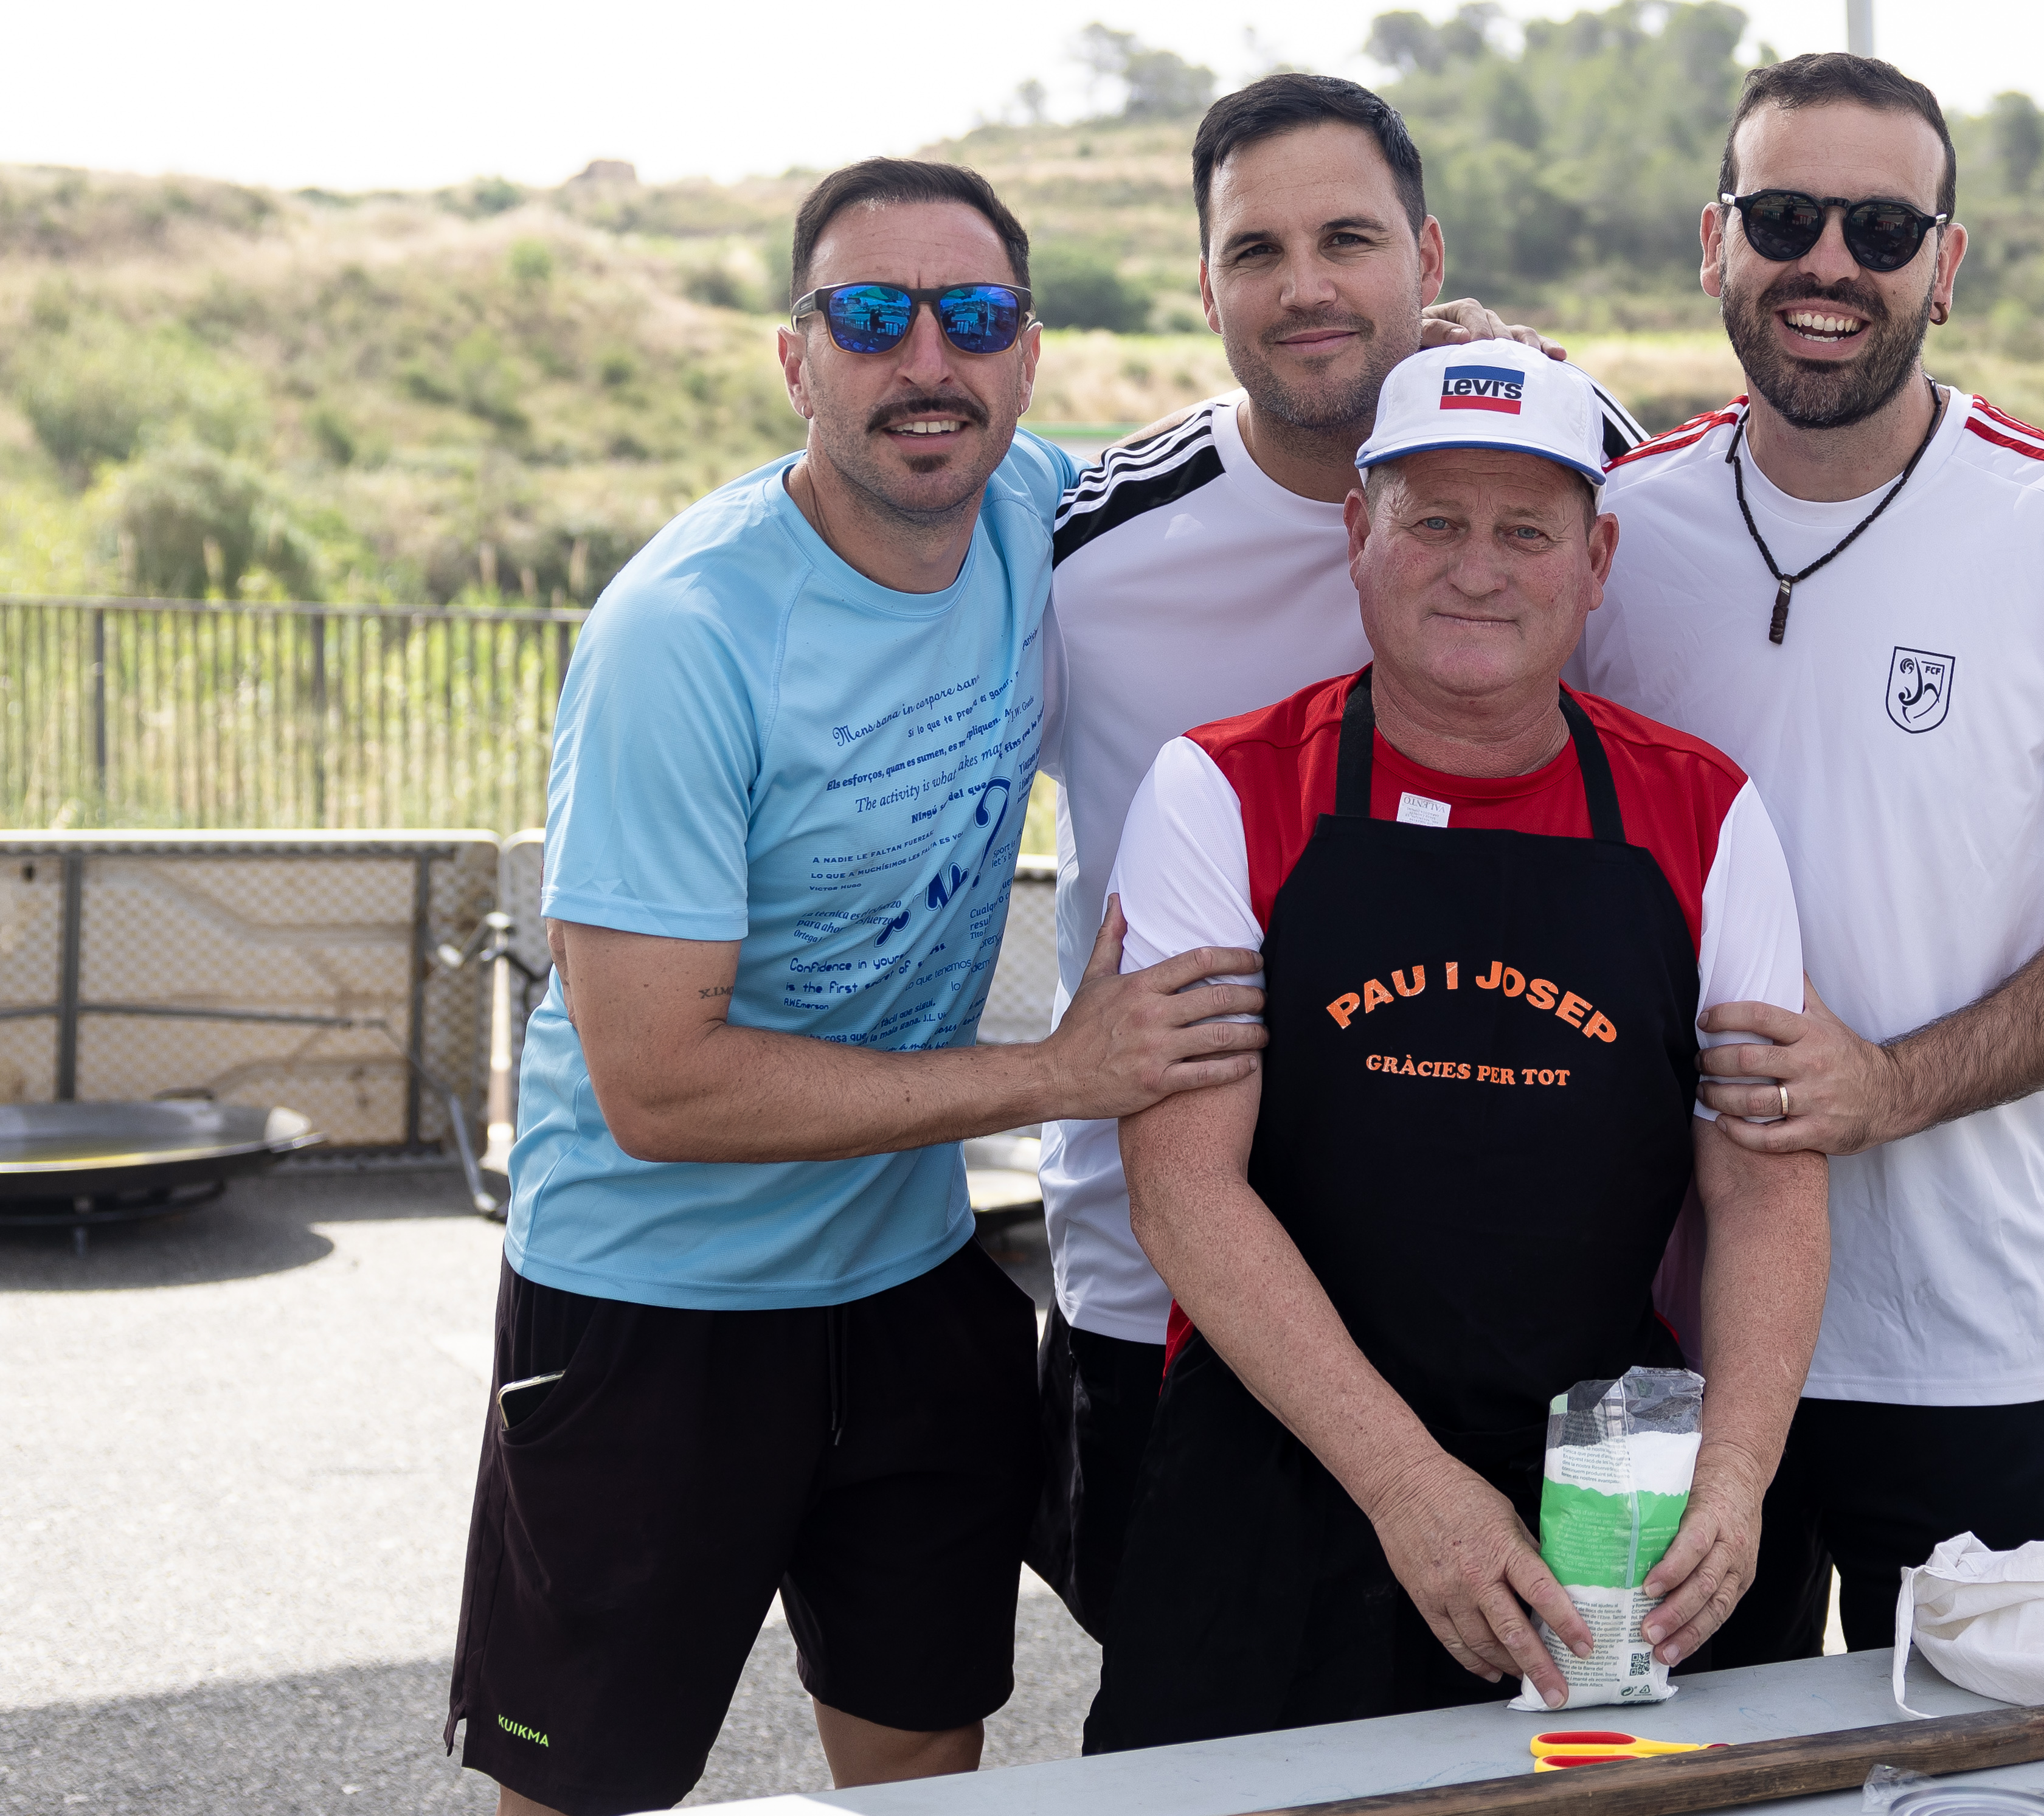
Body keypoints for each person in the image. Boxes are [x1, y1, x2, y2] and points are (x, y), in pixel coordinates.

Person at [445, 158, 1266, 1816]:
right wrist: (1056, 1074)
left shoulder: (1042, 510)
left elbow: (1251, 468)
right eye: (872, 317)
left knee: (920, 1755)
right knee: (581, 1786)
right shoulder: (685, 632)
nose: (926, 362)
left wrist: (1429, 365)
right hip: (652, 1304)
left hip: (904, 1283)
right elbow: (657, 1086)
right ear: (795, 357)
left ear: (1028, 355)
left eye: (975, 316)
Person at [1574, 53, 2044, 1663]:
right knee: (1650, 1760)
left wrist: (1886, 1085)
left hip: (1961, 1337)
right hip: (1665, 1338)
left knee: (1971, 1762)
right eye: (1784, 218)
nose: (1829, 264)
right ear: (1715, 240)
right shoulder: (1615, 525)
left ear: (1944, 266)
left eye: (1881, 230)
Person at [1078, 341, 1830, 1748]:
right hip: (1283, 1466)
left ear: (1594, 562)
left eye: (1524, 531)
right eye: (1431, 521)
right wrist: (1406, 1483)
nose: (1475, 569)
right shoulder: (1223, 788)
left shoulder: (1702, 811)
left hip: (1603, 1493)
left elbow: (1764, 1181)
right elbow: (1183, 1188)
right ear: (1357, 536)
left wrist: (1732, 1474)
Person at [1028, 71, 1647, 1641]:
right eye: (1258, 250)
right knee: (1196, 1735)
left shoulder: (1587, 475)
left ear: (1426, 258)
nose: (1304, 286)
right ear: (1206, 286)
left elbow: (1723, 733)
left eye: (1348, 239)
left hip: (1531, 1296)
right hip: (1162, 1295)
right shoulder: (1089, 549)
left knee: (1561, 1731)